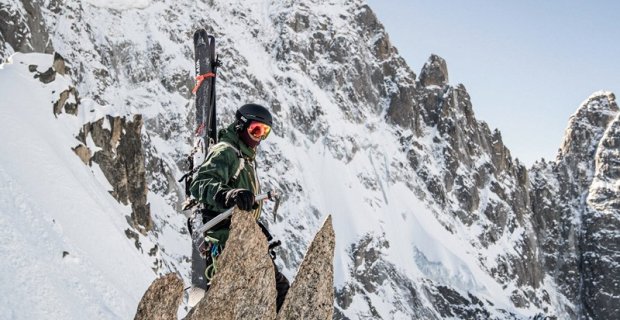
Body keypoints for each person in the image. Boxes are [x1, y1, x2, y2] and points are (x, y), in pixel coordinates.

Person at [189, 103, 289, 310]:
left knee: (278, 291)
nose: (259, 137)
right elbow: (200, 184)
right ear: (241, 126)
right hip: (226, 238)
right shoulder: (226, 152)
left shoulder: (244, 157)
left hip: (242, 237)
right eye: (256, 129)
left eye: (265, 132)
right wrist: (228, 194)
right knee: (276, 292)